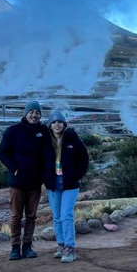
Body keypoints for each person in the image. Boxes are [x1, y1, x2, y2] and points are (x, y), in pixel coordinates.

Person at [0, 100, 50, 260]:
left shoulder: (43, 131)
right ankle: (15, 248)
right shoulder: (13, 131)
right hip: (18, 182)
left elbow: (49, 153)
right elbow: (3, 153)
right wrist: (14, 168)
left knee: (31, 216)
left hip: (35, 182)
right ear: (25, 113)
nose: (34, 115)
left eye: (37, 113)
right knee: (15, 216)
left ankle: (27, 246)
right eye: (32, 112)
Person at [44, 110, 89, 263]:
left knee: (66, 215)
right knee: (56, 217)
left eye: (60, 122)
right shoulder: (46, 142)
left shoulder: (73, 139)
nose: (57, 124)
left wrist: (77, 175)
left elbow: (84, 159)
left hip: (70, 184)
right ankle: (61, 245)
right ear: (50, 125)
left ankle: (70, 248)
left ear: (64, 124)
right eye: (54, 122)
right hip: (53, 184)